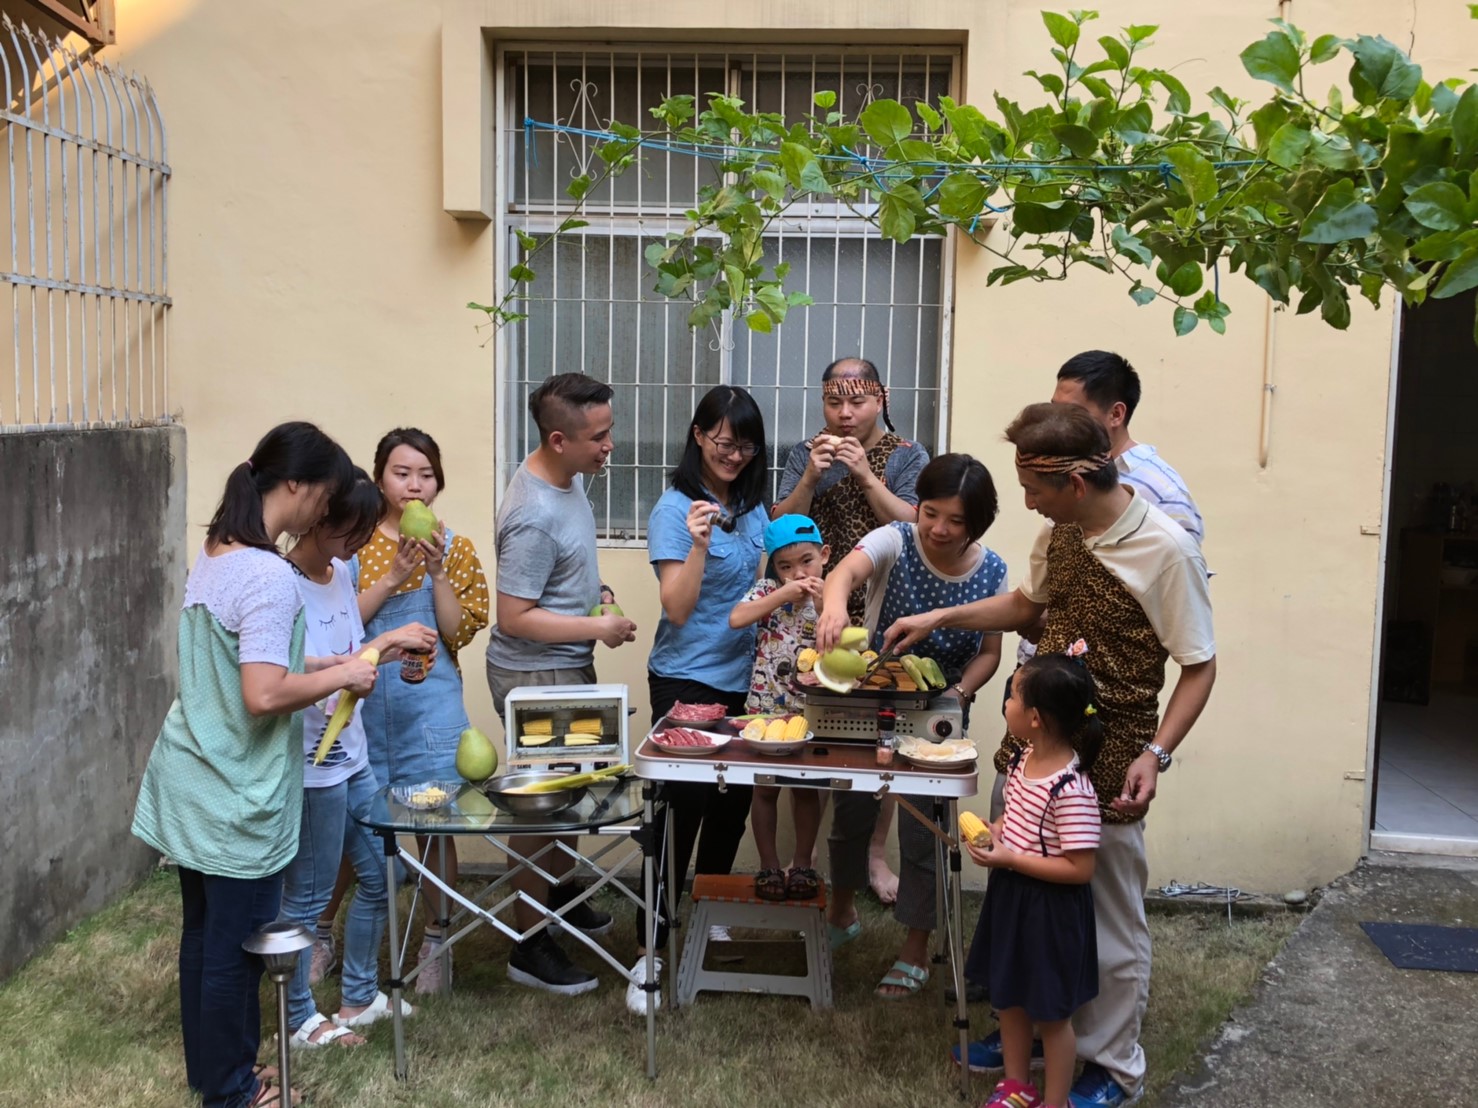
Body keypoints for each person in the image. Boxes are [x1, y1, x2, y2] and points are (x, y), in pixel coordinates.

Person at [886, 403, 1216, 1108]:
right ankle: (1036, 1035)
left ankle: (1112, 1064)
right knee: (1024, 904)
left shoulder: (1167, 550)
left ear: (1076, 481)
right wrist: (940, 615)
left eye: (1035, 489)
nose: (1028, 502)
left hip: (1113, 753)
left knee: (1106, 918)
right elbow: (1027, 607)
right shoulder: (1060, 533)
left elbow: (1200, 665)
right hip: (1032, 745)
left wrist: (1156, 754)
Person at [131, 422, 377, 1108]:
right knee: (235, 951)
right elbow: (263, 693)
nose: (324, 510)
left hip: (193, 777)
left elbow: (251, 656)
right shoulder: (269, 573)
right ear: (295, 484)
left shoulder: (218, 551)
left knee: (204, 937)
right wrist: (341, 677)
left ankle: (215, 1074)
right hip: (235, 792)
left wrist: (325, 663)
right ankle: (234, 1093)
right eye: (324, 494)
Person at [815, 453, 1008, 999]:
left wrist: (958, 694)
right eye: (930, 513)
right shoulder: (895, 539)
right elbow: (846, 571)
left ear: (977, 524)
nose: (938, 529)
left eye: (956, 521)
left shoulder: (992, 571)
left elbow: (989, 653)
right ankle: (842, 911)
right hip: (874, 695)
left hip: (941, 708)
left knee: (924, 828)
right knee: (852, 809)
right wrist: (834, 606)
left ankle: (915, 949)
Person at [485, 372, 639, 995]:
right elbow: (514, 616)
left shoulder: (569, 479)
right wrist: (597, 627)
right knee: (540, 813)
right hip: (534, 673)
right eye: (599, 436)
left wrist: (597, 593)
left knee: (569, 795)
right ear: (558, 439)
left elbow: (560, 576)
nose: (609, 445)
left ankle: (559, 899)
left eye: (609, 430)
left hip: (563, 665)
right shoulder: (532, 515)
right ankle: (529, 944)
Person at [278, 468, 438, 1048]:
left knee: (382, 874)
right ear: (322, 518)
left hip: (352, 757)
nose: (365, 540)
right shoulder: (282, 585)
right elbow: (303, 675)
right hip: (312, 763)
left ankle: (359, 997)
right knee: (307, 896)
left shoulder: (341, 571)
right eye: (357, 529)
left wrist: (388, 644)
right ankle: (298, 1018)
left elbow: (349, 648)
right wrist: (385, 644)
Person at [627, 384, 769, 1013]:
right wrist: (700, 544)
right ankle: (650, 948)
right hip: (686, 679)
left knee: (730, 809)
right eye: (721, 441)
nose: (732, 454)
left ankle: (707, 920)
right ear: (697, 436)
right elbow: (678, 608)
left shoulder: (750, 504)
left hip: (745, 681)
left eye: (744, 445)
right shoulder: (674, 509)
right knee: (678, 813)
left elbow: (765, 565)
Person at [772, 356, 930, 905]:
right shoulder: (804, 453)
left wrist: (864, 475)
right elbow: (778, 525)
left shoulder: (907, 454)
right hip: (813, 612)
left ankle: (874, 855)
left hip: (884, 612)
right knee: (815, 732)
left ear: (880, 398)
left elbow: (916, 525)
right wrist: (811, 477)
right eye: (833, 402)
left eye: (857, 402)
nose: (844, 413)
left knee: (880, 742)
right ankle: (808, 856)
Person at [348, 427, 490, 994]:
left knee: (435, 828)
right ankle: (323, 936)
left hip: (429, 711)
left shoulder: (456, 548)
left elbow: (456, 633)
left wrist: (434, 572)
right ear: (379, 478)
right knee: (349, 829)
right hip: (359, 709)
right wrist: (391, 577)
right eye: (402, 473)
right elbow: (343, 626)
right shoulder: (351, 545)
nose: (414, 485)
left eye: (426, 475)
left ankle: (437, 938)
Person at [964, 646, 1104, 1108]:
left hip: (1050, 911)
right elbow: (1017, 818)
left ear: (1036, 718)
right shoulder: (1022, 759)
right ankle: (1016, 1085)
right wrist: (995, 831)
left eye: (1012, 697)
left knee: (1052, 1015)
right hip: (1013, 898)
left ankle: (1056, 1101)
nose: (1005, 704)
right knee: (1008, 998)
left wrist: (1011, 859)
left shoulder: (1072, 788)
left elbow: (1080, 869)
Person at [728, 514, 830, 902]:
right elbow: (737, 618)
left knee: (805, 791)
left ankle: (802, 864)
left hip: (810, 712)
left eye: (806, 561)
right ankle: (769, 866)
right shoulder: (768, 589)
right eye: (785, 566)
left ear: (824, 555)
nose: (797, 573)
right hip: (765, 707)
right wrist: (781, 594)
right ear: (774, 567)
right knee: (765, 789)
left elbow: (848, 645)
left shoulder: (831, 593)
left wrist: (822, 603)